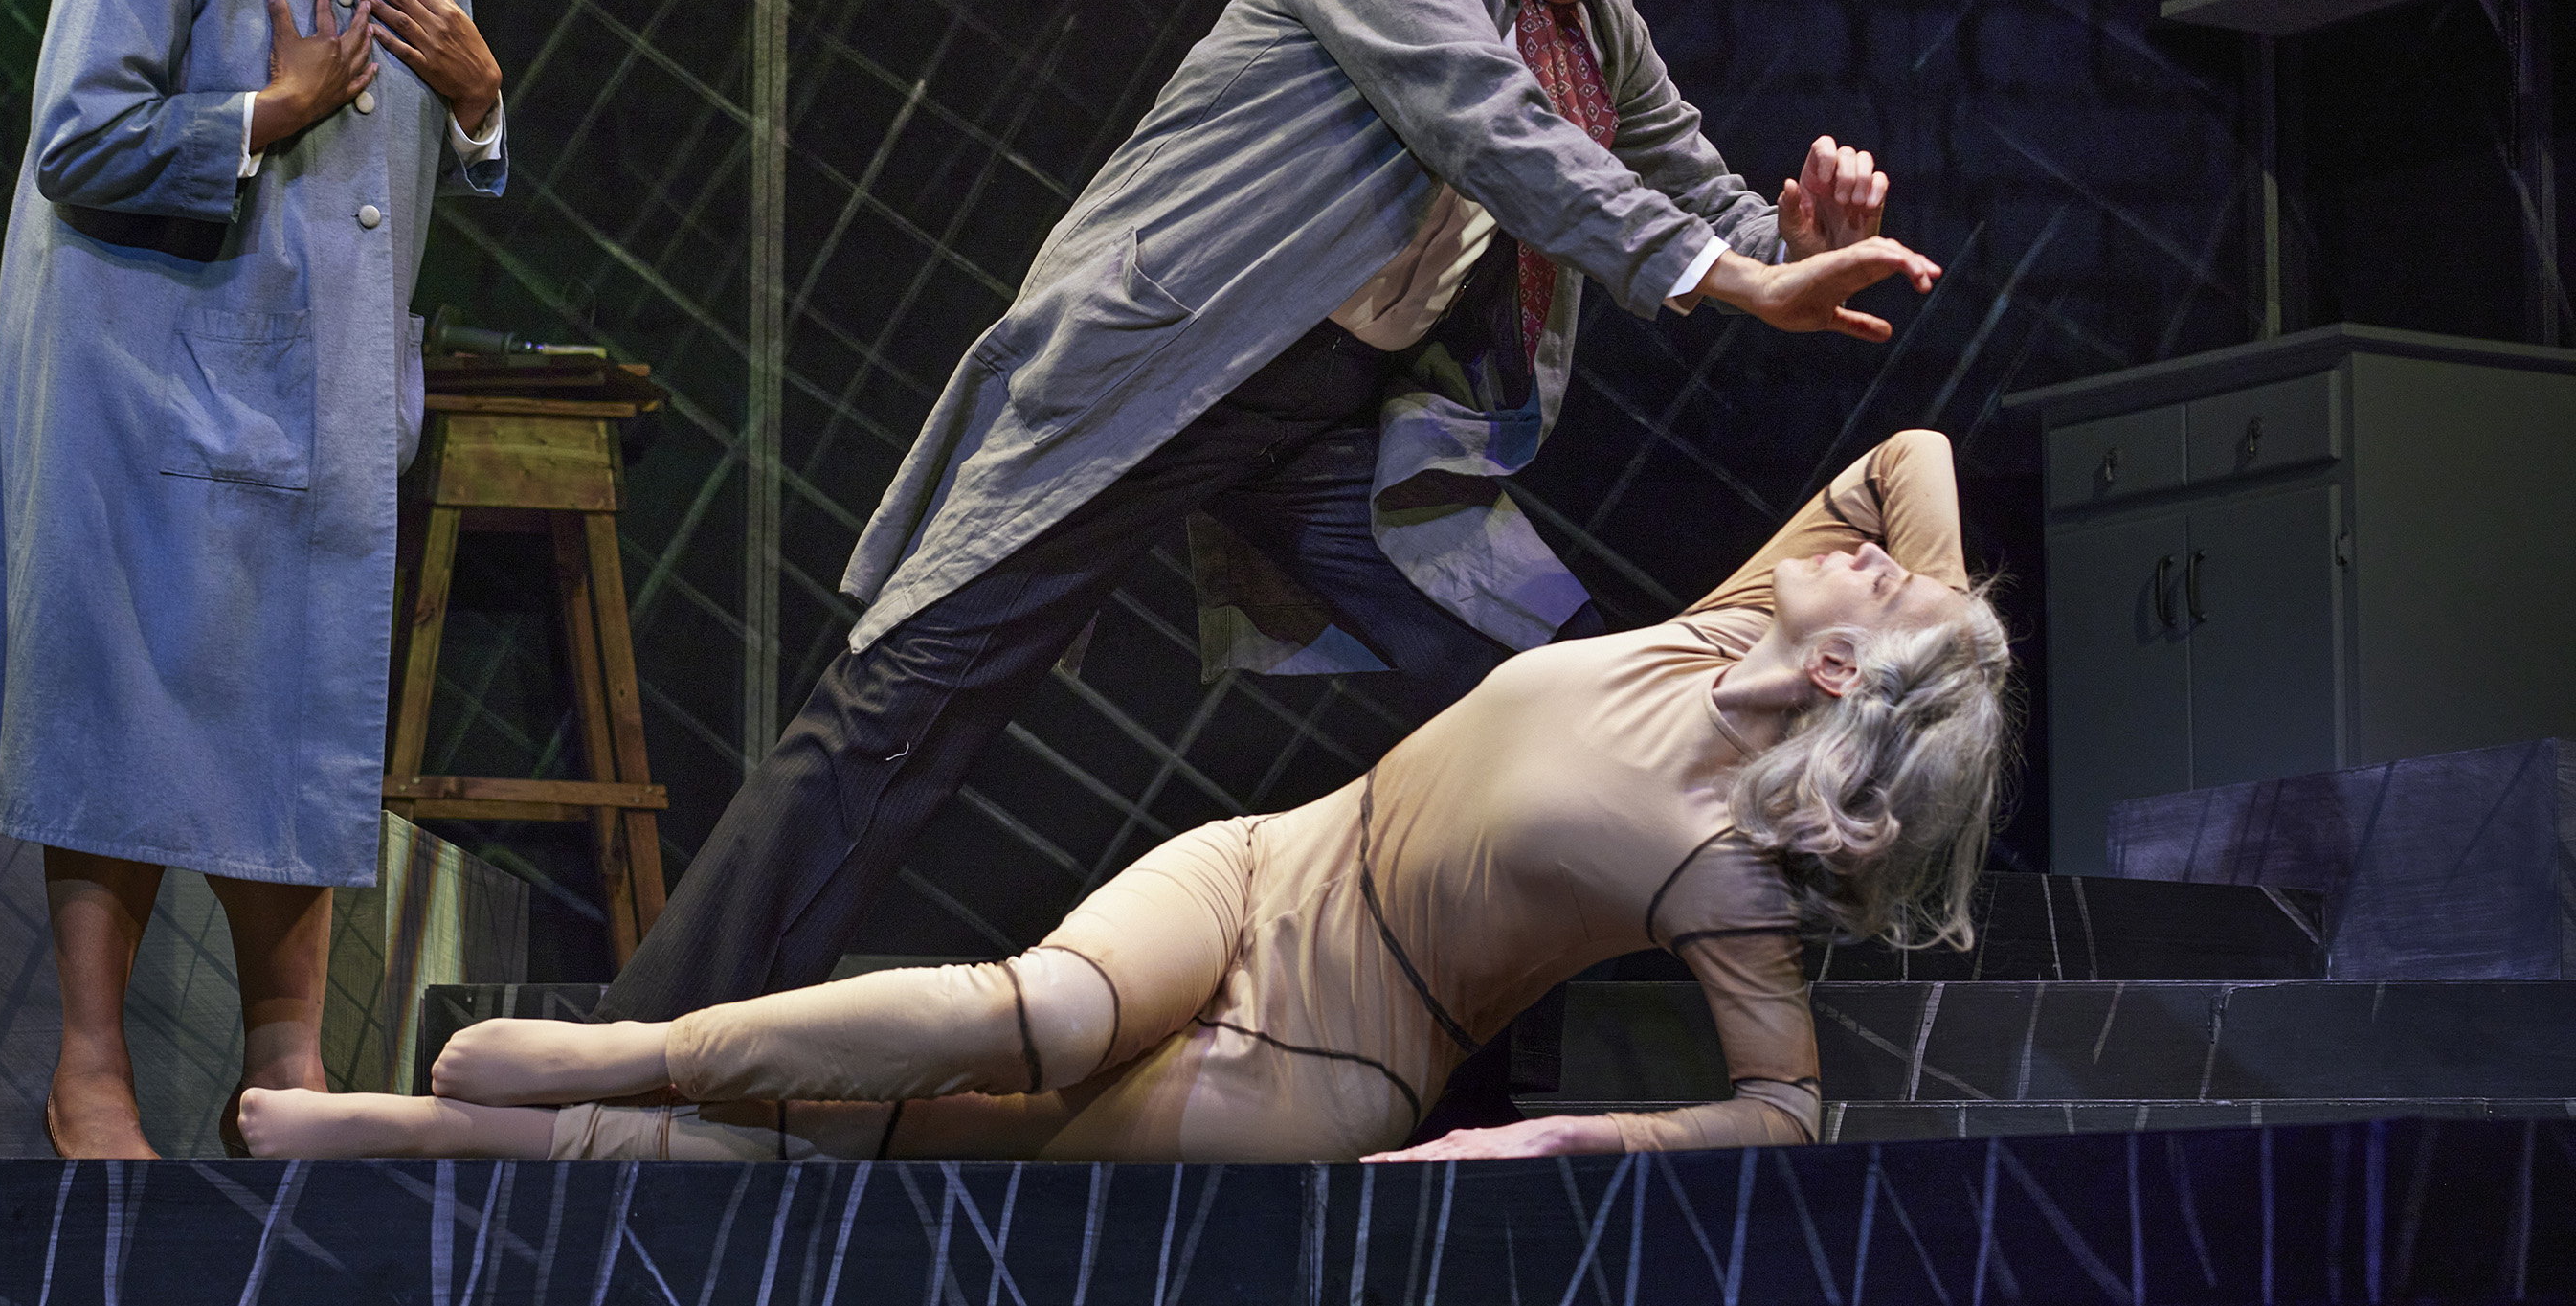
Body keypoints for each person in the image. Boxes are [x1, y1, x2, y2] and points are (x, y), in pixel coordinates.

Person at [593, 0, 1943, 1029]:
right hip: (1162, 368)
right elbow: (1493, 128)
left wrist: (1795, 247)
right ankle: (645, 1052)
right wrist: (1735, 275)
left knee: (1552, 685)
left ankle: (1470, 1068)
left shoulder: (1595, 20)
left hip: (1335, 419)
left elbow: (1686, 179)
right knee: (905, 709)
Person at [240, 429, 2009, 1164]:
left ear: (1844, 677)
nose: (1865, 552)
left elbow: (1788, 1111)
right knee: (1038, 1007)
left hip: (1330, 1048)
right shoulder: (1734, 623)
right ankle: (629, 1052)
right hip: (1265, 864)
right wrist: (1939, 645)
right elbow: (1908, 461)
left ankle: (428, 1133)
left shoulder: (1721, 860)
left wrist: (1549, 1139)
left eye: (1882, 586)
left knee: (898, 1145)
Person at [0, 0, 508, 1159]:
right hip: (147, 381)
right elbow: (77, 139)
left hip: (318, 381)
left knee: (300, 702)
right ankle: (90, 1070)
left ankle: (285, 1060)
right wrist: (266, 113)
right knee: (128, 706)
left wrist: (481, 99)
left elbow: (438, 138)